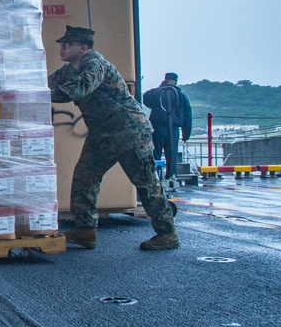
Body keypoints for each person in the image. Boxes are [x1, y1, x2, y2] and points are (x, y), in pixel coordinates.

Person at [47, 25, 179, 251]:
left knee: (146, 183)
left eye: (67, 44)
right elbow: (47, 82)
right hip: (102, 135)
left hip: (129, 132)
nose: (62, 47)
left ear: (83, 47)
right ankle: (85, 229)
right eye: (61, 44)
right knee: (84, 178)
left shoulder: (94, 64)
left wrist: (41, 95)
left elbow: (81, 87)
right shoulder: (69, 70)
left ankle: (167, 233)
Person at [143, 72, 193, 184]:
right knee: (172, 154)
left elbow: (146, 98)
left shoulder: (157, 93)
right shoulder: (182, 96)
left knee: (155, 152)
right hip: (174, 129)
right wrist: (186, 134)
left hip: (157, 127)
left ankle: (154, 176)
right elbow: (187, 116)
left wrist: (160, 87)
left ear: (165, 80)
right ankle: (171, 177)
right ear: (176, 81)